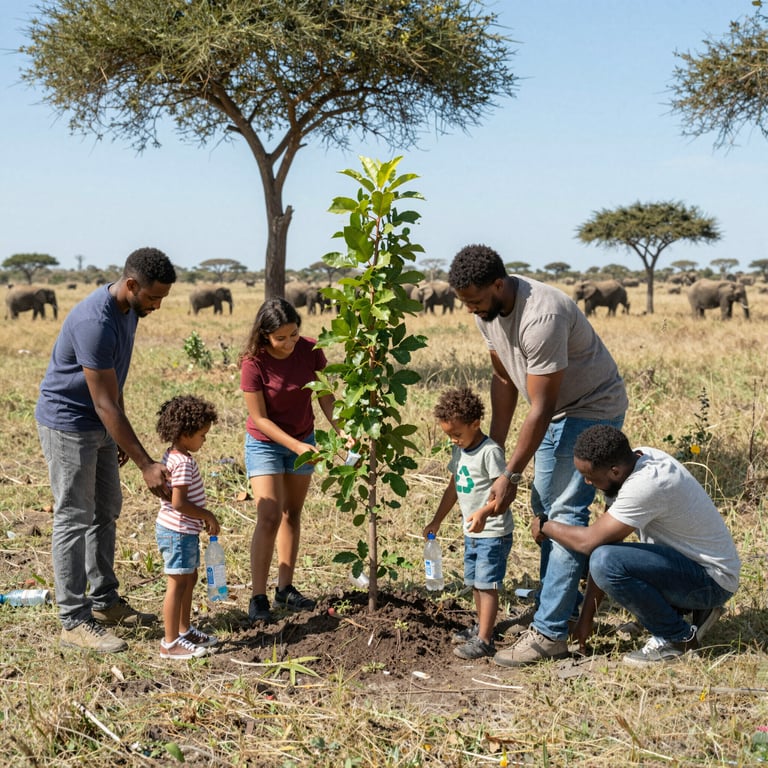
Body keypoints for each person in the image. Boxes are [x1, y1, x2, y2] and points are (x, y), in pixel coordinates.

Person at [447, 244, 628, 666]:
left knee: (562, 513)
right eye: (464, 303)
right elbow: (503, 379)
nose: (471, 310)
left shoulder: (541, 317)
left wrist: (508, 475)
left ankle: (549, 633)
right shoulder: (487, 314)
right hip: (552, 408)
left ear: (498, 283)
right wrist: (493, 447)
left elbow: (542, 408)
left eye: (475, 300)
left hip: (589, 407)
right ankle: (557, 607)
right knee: (543, 506)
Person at [35, 247, 177, 653]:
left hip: (100, 422)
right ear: (131, 285)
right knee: (74, 515)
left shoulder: (129, 311)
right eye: (154, 297)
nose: (158, 306)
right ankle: (73, 621)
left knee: (106, 509)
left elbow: (113, 388)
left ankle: (104, 602)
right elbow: (104, 402)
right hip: (69, 423)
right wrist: (145, 463)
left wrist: (116, 437)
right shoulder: (94, 321)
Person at [533, 424, 741, 666]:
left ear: (614, 471)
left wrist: (545, 526)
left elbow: (589, 543)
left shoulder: (646, 484)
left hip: (711, 582)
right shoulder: (633, 460)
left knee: (604, 560)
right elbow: (604, 543)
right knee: (603, 557)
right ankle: (686, 613)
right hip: (694, 569)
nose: (587, 482)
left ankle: (676, 638)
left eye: (590, 476)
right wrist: (586, 619)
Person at [240, 298, 344, 624]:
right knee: (269, 515)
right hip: (265, 444)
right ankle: (258, 597)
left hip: (304, 438)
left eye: (294, 335)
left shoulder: (311, 350)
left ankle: (285, 589)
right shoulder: (253, 363)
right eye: (280, 338)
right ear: (265, 335)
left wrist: (343, 430)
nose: (289, 344)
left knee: (292, 514)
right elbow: (259, 417)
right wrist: (297, 447)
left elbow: (325, 395)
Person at [423, 387, 513, 660]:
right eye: (448, 435)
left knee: (487, 584)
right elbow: (454, 487)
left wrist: (485, 512)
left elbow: (507, 492)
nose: (453, 440)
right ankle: (481, 627)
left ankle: (485, 640)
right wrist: (437, 520)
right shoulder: (460, 452)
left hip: (493, 532)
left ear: (475, 424)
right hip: (472, 532)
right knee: (475, 582)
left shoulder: (490, 452)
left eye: (457, 434)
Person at [155, 395, 221, 660]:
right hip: (177, 531)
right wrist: (207, 515)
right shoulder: (182, 462)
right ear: (185, 434)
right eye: (202, 435)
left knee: (189, 578)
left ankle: (183, 629)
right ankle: (170, 643)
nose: (204, 440)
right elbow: (179, 502)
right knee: (177, 583)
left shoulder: (173, 455)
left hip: (183, 530)